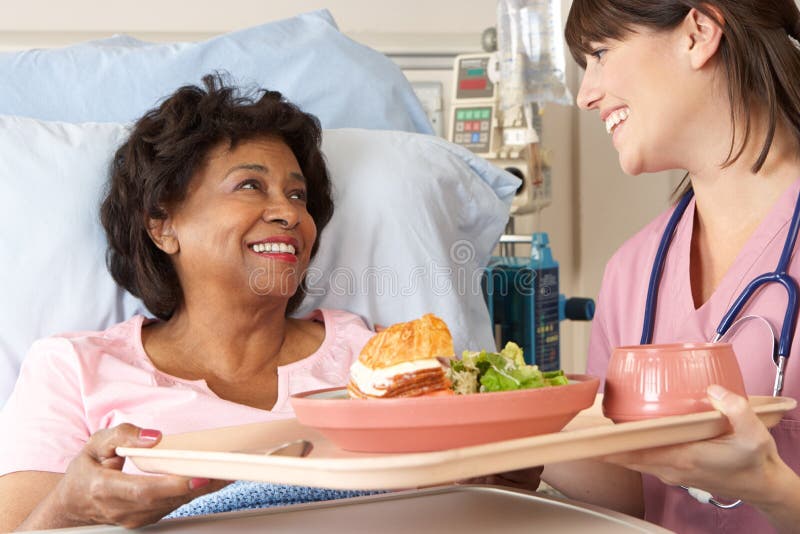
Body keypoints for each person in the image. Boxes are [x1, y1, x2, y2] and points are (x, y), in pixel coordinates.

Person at [0, 74, 376, 530]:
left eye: (298, 195)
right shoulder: (74, 370)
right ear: (163, 225)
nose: (290, 213)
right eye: (250, 186)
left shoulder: (373, 359)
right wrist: (70, 508)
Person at [541, 1, 800, 532]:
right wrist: (503, 435)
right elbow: (631, 497)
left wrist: (772, 488)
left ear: (698, 33)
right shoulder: (632, 272)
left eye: (600, 54)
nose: (585, 95)